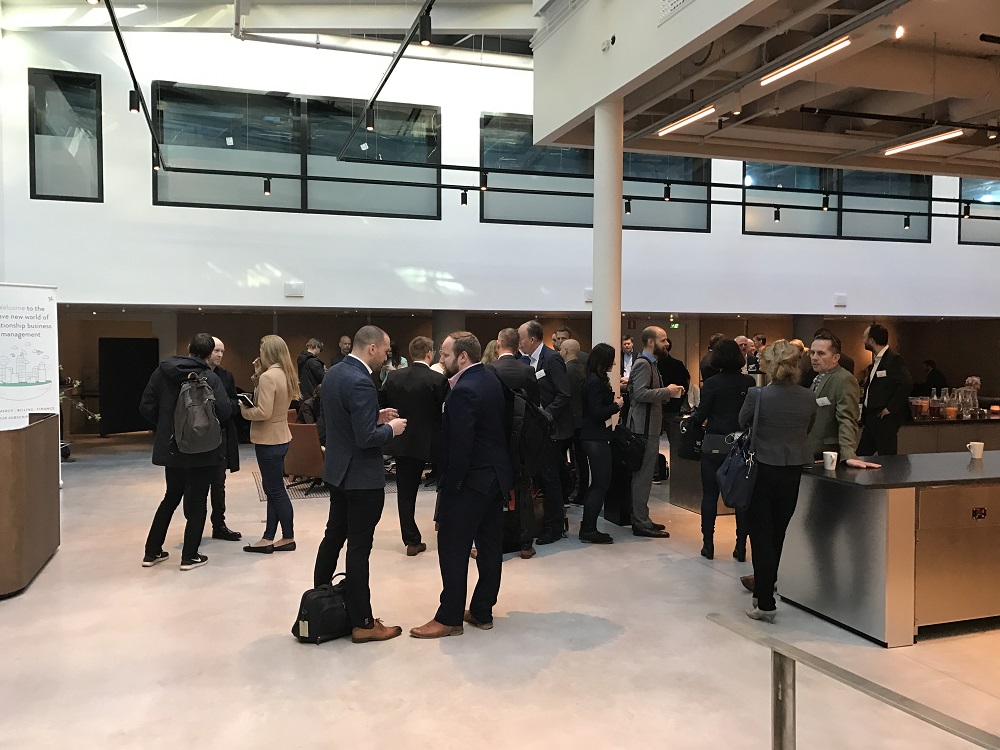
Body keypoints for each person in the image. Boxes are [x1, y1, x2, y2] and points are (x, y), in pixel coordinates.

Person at [410, 332, 513, 639]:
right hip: (495, 477)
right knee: (490, 546)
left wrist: (450, 486)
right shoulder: (490, 378)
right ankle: (482, 611)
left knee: (453, 548)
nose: (440, 360)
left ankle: (450, 617)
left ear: (463, 356)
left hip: (471, 481)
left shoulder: (464, 390)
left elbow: (460, 446)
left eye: (445, 355)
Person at [314, 325, 407, 644]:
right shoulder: (361, 380)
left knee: (333, 537)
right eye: (386, 351)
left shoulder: (335, 374)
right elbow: (366, 438)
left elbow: (344, 420)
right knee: (359, 548)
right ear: (372, 348)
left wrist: (375, 416)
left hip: (338, 471)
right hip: (361, 478)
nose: (387, 357)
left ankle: (320, 600)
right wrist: (392, 429)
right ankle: (363, 623)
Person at [738, 340, 817, 623]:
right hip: (792, 469)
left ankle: (765, 602)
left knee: (760, 535)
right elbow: (808, 427)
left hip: (761, 468)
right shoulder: (808, 396)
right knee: (777, 534)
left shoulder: (757, 395)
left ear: (770, 366)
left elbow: (743, 421)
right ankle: (765, 591)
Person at [140, 333, 233, 571]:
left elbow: (146, 406)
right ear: (209, 352)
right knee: (198, 500)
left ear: (189, 347)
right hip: (202, 449)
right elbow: (224, 411)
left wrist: (167, 426)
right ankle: (189, 556)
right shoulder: (210, 377)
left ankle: (151, 552)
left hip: (172, 447)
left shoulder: (162, 372)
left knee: (171, 496)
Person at [380, 336, 449, 557]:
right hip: (434, 443)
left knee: (406, 493)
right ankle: (446, 528)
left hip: (404, 440)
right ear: (429, 353)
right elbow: (446, 412)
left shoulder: (393, 377)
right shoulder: (438, 380)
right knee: (447, 487)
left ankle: (411, 540)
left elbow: (383, 405)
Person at [690, 339, 754, 561]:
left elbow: (701, 415)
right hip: (741, 445)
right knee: (741, 497)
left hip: (715, 443)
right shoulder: (749, 382)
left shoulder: (712, 383)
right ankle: (740, 546)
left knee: (709, 496)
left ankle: (708, 544)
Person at [241, 334, 298, 554]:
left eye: (261, 349)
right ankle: (269, 537)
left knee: (275, 490)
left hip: (268, 440)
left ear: (269, 352)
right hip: (281, 436)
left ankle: (287, 537)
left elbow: (263, 412)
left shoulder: (269, 377)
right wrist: (257, 376)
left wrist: (244, 411)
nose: (260, 353)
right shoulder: (285, 373)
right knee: (273, 489)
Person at [518, 320, 573, 545]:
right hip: (537, 431)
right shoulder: (525, 360)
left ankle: (554, 527)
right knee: (541, 477)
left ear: (532, 339)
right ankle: (542, 522)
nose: (519, 342)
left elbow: (564, 394)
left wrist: (545, 415)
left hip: (553, 430)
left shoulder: (552, 359)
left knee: (551, 479)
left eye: (521, 338)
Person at [487, 328, 540, 559]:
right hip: (522, 438)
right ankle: (526, 544)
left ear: (498, 344)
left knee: (494, 491)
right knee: (524, 488)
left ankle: (492, 542)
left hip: (497, 437)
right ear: (518, 346)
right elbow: (535, 406)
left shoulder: (490, 370)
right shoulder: (528, 371)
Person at [628, 326, 684, 538]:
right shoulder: (644, 364)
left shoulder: (650, 363)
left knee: (644, 476)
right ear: (651, 342)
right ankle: (640, 521)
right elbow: (641, 394)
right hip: (644, 427)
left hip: (647, 425)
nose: (667, 344)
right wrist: (667, 391)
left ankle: (643, 518)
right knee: (643, 477)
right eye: (663, 340)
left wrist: (667, 392)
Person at [806, 332, 880, 469]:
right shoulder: (817, 377)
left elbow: (847, 419)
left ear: (836, 357)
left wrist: (849, 454)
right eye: (812, 353)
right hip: (813, 453)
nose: (814, 358)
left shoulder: (844, 379)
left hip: (829, 455)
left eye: (821, 353)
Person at [579, 343, 622, 544]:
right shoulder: (595, 381)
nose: (614, 363)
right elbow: (596, 413)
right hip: (595, 437)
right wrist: (616, 406)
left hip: (594, 436)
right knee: (600, 483)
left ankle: (588, 526)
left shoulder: (592, 378)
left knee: (598, 483)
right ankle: (588, 528)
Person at [206, 336, 242, 542]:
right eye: (216, 351)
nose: (220, 355)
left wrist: (227, 407)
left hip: (221, 434)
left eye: (222, 351)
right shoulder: (194, 374)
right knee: (197, 484)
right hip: (198, 436)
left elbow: (233, 402)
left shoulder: (226, 376)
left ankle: (219, 524)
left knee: (219, 483)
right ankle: (194, 526)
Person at [858, 323, 913, 456]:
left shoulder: (893, 359)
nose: (863, 341)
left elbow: (906, 383)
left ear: (872, 340)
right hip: (872, 418)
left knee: (887, 457)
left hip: (885, 419)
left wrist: (890, 408)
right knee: (862, 455)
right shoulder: (877, 360)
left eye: (865, 337)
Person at [560, 338, 589, 507]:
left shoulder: (567, 370)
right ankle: (581, 491)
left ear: (565, 350)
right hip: (581, 419)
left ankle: (573, 490)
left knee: (571, 457)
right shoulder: (582, 369)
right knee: (581, 458)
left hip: (571, 420)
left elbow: (567, 397)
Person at [657, 336, 691, 417]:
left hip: (656, 403)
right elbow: (686, 382)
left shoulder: (653, 364)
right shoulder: (678, 364)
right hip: (674, 403)